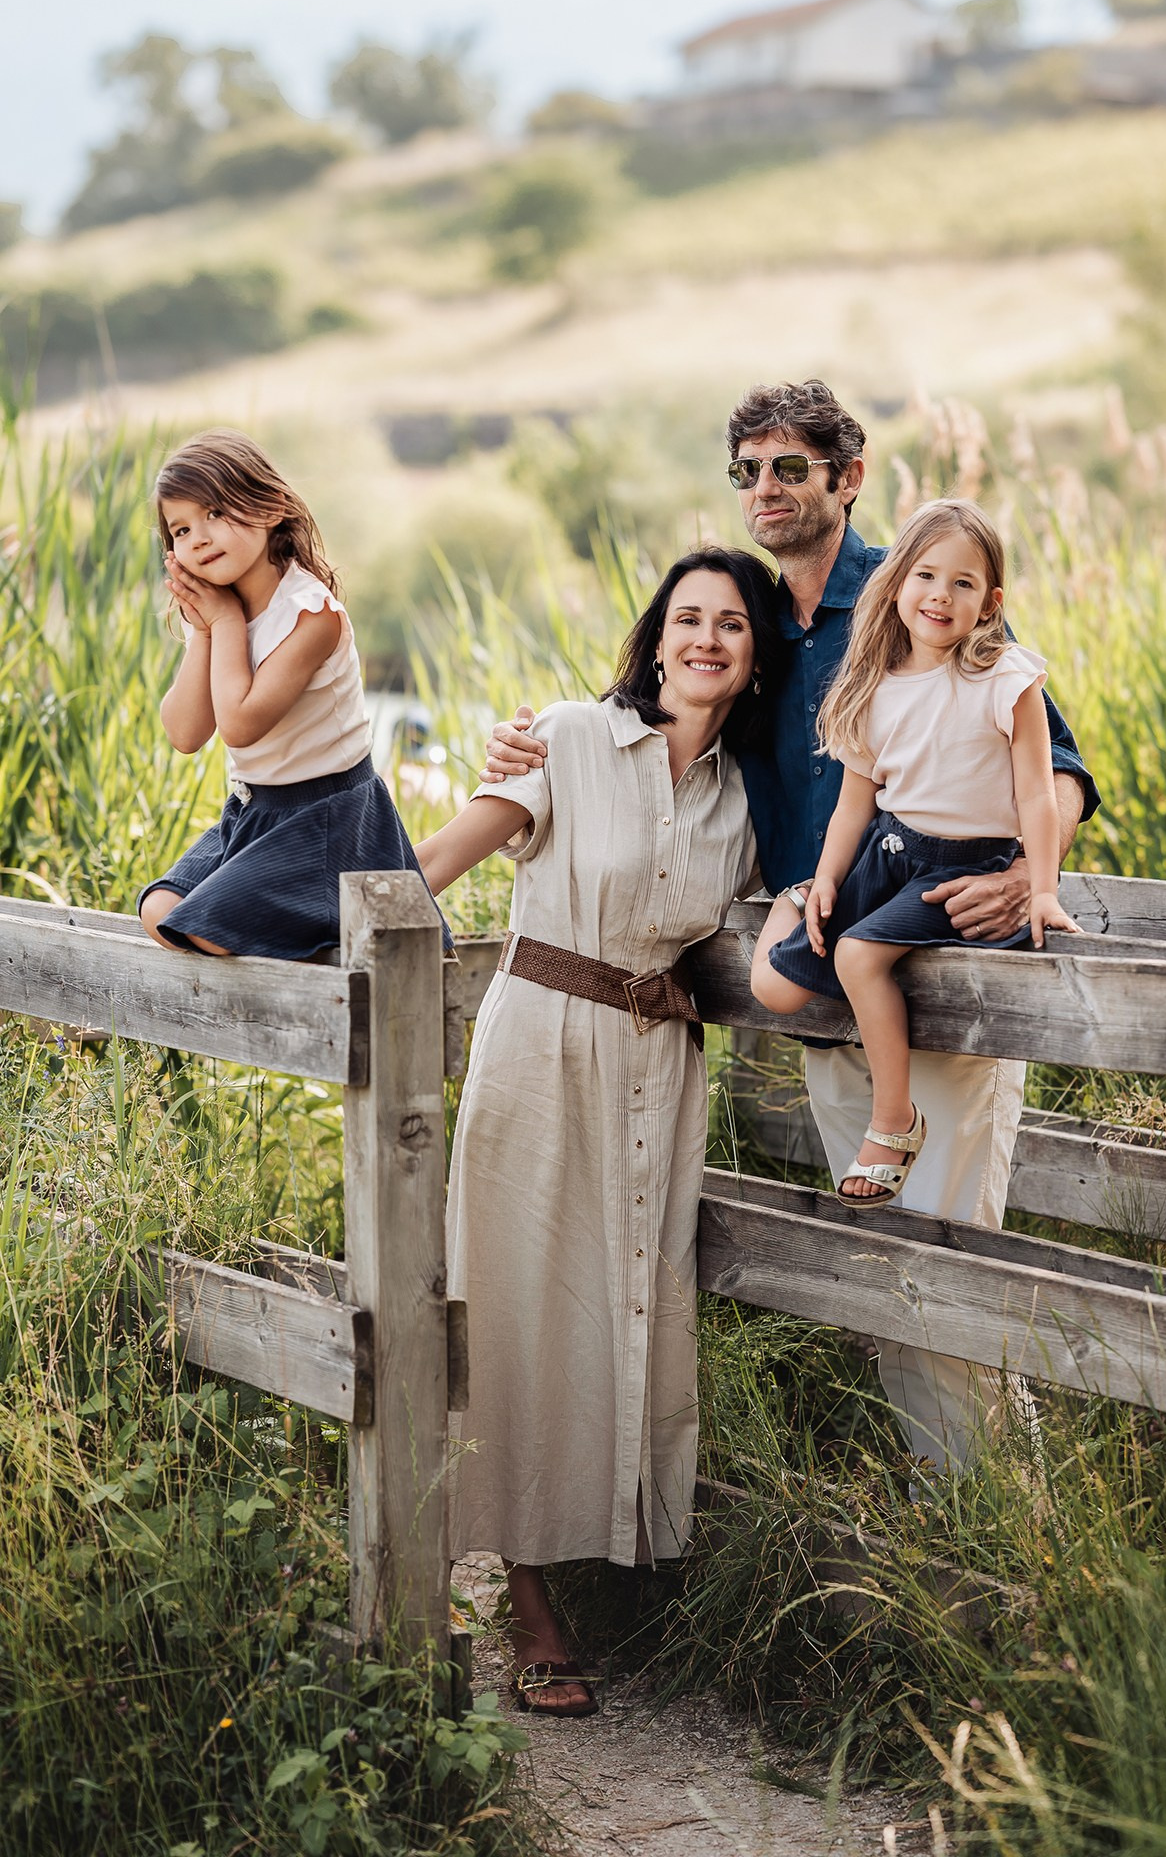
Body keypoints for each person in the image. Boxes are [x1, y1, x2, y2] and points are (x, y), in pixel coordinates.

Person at [484, 378, 1099, 1473]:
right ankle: (958, 1518)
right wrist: (526, 754)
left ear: (846, 481)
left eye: (789, 467)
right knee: (884, 1275)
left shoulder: (917, 591)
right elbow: (656, 717)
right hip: (821, 986)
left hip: (940, 977)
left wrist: (1023, 867)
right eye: (747, 471)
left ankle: (1005, 1532)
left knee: (944, 1262)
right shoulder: (757, 622)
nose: (763, 489)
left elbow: (1048, 763)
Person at [415, 546, 780, 1717]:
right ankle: (522, 1595)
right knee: (518, 1301)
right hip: (538, 1050)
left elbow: (750, 928)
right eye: (687, 617)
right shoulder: (570, 734)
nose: (707, 638)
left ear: (754, 651)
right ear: (655, 633)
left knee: (629, 1300)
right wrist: (323, 910)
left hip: (654, 1066)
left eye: (731, 622)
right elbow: (445, 854)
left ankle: (613, 1554)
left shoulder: (742, 795)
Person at [750, 497, 1080, 1205]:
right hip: (883, 857)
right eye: (926, 576)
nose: (940, 595)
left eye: (962, 583)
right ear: (896, 583)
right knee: (775, 987)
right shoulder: (871, 686)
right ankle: (796, 901)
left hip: (960, 866)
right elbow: (853, 803)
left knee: (858, 956)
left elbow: (1035, 791)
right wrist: (826, 881)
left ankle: (893, 1121)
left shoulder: (1006, 679)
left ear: (989, 603)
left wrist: (1040, 885)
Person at [138, 429, 447, 959]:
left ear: (271, 506)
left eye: (216, 512)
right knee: (160, 912)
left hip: (330, 819)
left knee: (207, 930)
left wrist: (223, 620)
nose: (200, 537)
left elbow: (240, 724)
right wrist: (209, 629)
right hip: (255, 811)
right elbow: (186, 733)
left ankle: (322, 931)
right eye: (182, 529)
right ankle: (295, 930)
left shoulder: (311, 614)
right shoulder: (219, 608)